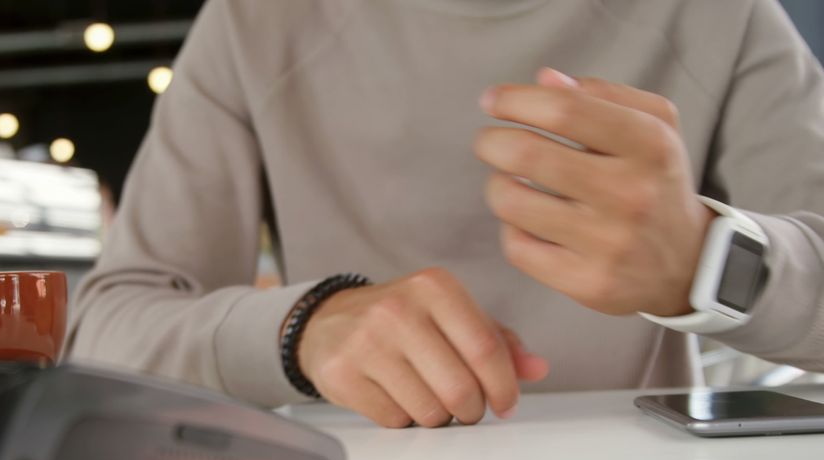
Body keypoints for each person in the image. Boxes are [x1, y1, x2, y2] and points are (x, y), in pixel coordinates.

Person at [66, 0, 824, 428]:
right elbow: (108, 328)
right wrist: (303, 328)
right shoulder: (254, 21)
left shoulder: (721, 14)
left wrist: (707, 260)